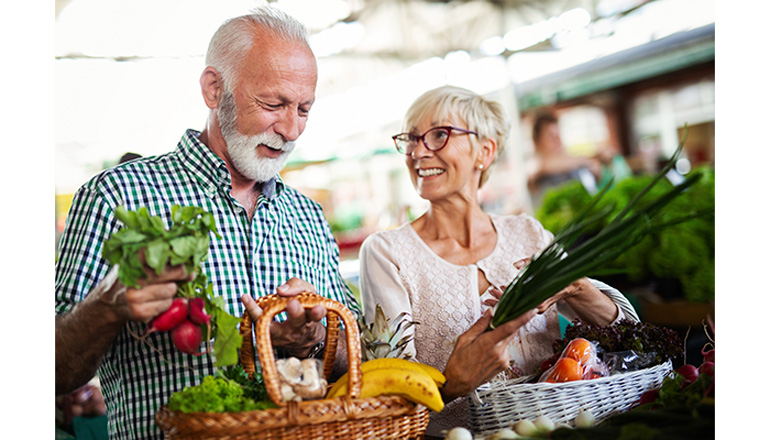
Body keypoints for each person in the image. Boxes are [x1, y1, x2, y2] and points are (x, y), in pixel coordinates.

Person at [55, 7, 360, 439]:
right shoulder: (116, 198)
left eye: (304, 109)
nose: (291, 130)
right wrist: (106, 308)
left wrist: (311, 337)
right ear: (214, 89)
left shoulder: (307, 215)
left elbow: (357, 355)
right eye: (273, 104)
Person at [358, 85, 639, 437]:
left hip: (560, 430)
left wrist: (578, 288)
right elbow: (389, 394)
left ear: (485, 151)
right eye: (411, 139)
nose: (418, 152)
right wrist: (452, 384)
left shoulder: (529, 235)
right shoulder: (388, 253)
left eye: (439, 135)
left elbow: (632, 335)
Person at [527, 111, 602, 208]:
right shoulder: (534, 166)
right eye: (551, 136)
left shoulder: (571, 165)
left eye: (558, 135)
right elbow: (543, 166)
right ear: (537, 142)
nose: (558, 140)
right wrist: (588, 161)